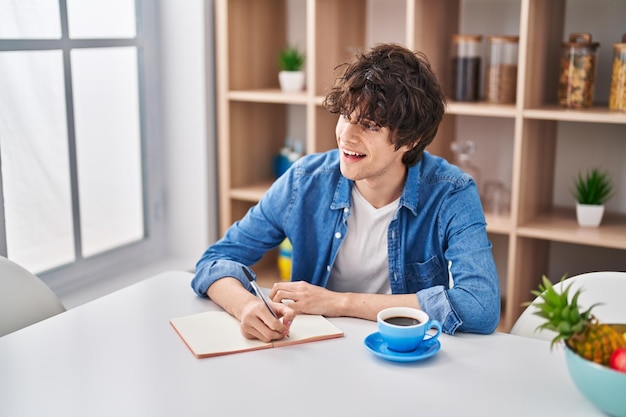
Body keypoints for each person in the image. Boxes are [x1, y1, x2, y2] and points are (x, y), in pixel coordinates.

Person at [192, 43, 500, 342]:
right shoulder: (305, 180)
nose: (346, 137)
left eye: (368, 126)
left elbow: (480, 307)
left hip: (404, 357)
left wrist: (339, 303)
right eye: (344, 117)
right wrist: (244, 305)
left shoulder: (452, 193)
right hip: (318, 353)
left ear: (411, 139)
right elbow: (214, 261)